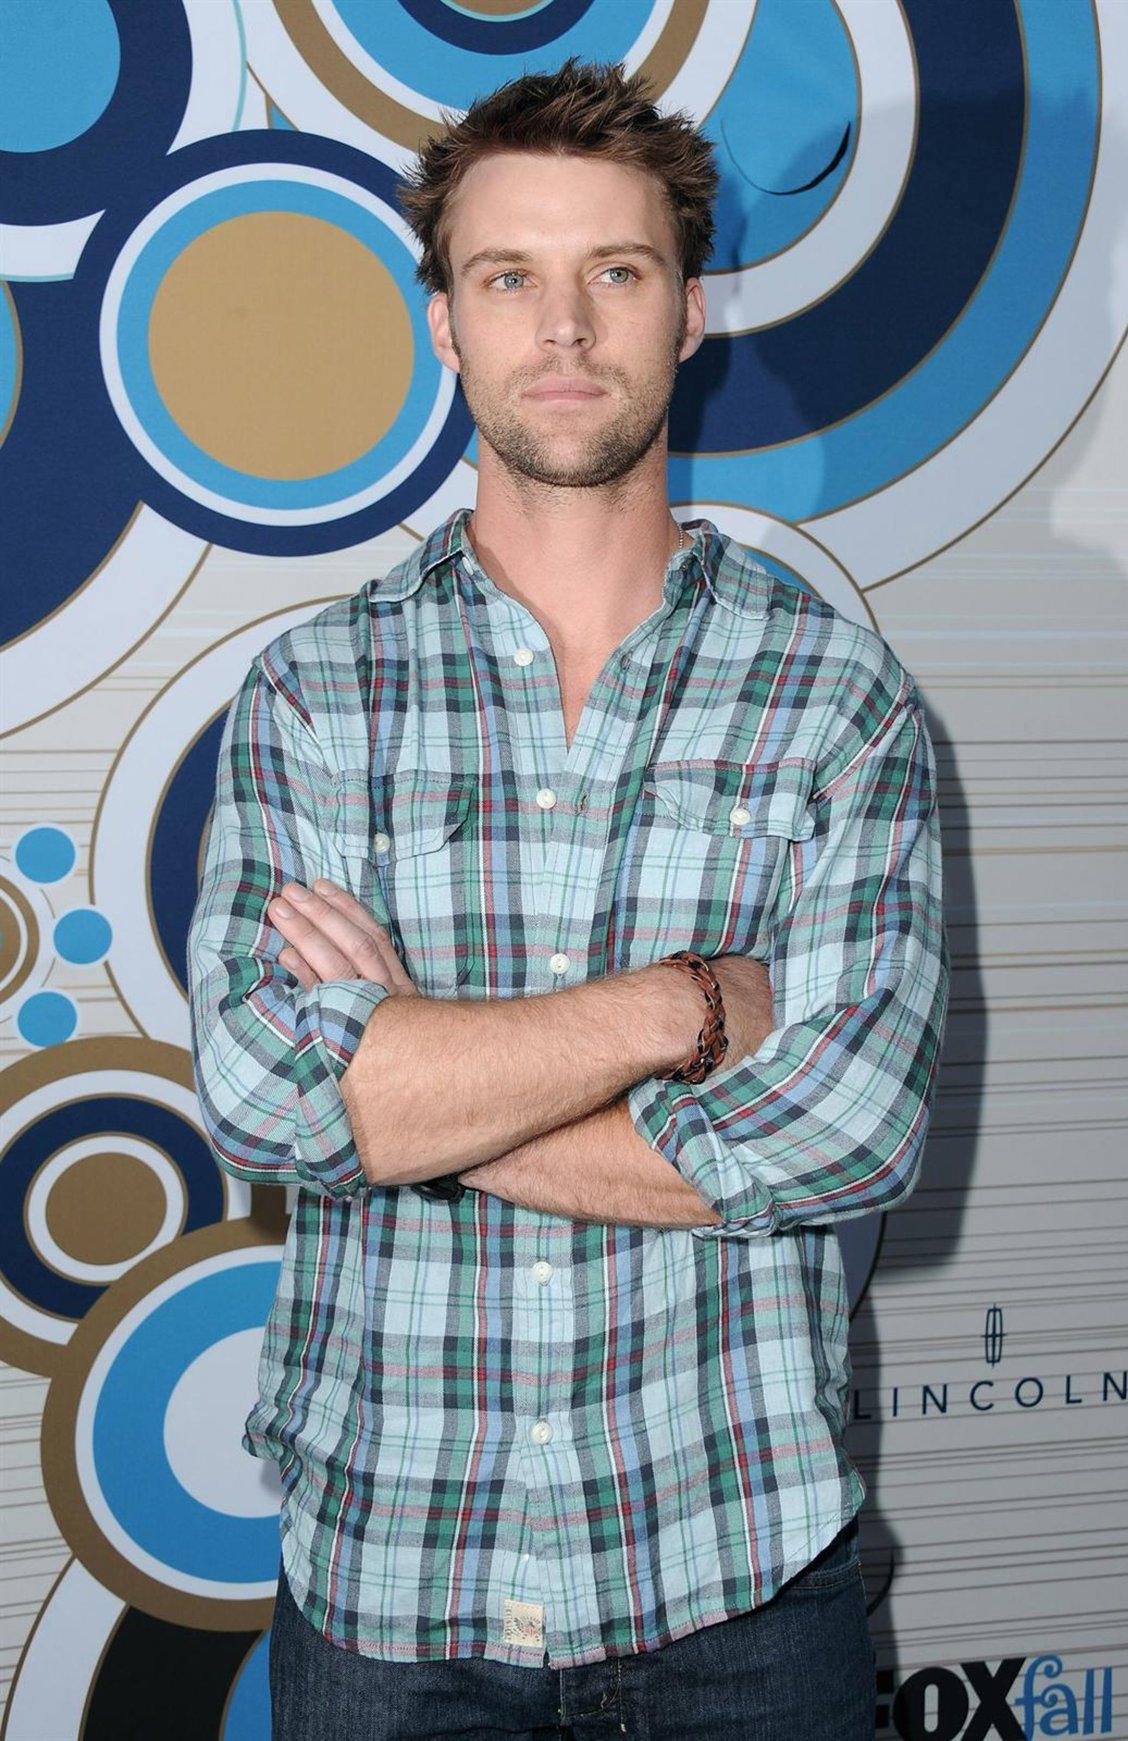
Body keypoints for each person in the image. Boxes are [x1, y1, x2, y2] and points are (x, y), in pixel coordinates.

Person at [188, 58, 949, 1741]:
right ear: (444, 325)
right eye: (507, 276)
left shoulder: (834, 695)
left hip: (742, 1578)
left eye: (616, 270)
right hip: (393, 1593)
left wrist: (408, 1081)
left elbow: (852, 1129)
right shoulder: (319, 692)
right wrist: (679, 1010)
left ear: (690, 309)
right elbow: (261, 1093)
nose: (566, 328)